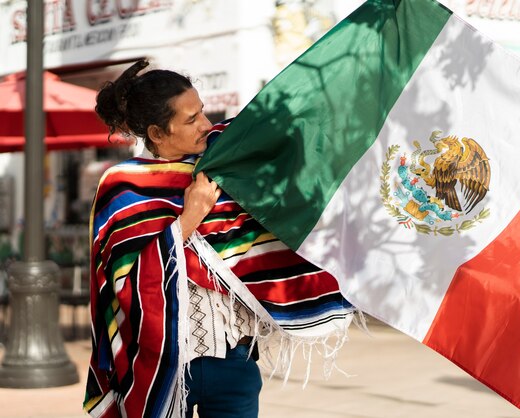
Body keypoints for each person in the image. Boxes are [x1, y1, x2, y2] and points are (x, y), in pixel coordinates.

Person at [84, 60, 355, 418]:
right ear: (157, 132)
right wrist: (188, 219)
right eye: (191, 119)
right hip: (162, 366)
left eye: (202, 112)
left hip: (234, 357)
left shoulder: (227, 162)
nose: (206, 125)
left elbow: (290, 133)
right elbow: (125, 285)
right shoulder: (122, 187)